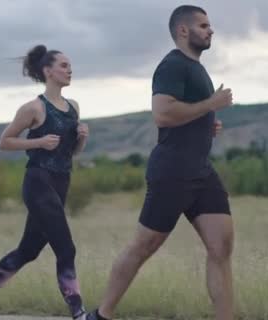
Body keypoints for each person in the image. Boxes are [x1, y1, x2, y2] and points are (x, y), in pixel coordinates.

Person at [86, 5, 234, 320]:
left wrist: (207, 122)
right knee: (144, 246)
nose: (211, 31)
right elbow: (163, 114)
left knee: (221, 246)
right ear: (184, 30)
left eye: (210, 25)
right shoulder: (172, 65)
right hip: (172, 170)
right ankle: (101, 314)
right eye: (204, 25)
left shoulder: (196, 67)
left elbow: (185, 112)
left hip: (200, 170)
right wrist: (211, 104)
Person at [0, 44, 90, 320]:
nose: (70, 70)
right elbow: (5, 141)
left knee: (29, 250)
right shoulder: (34, 107)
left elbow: (72, 152)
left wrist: (82, 137)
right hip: (38, 182)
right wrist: (39, 141)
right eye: (64, 65)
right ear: (48, 71)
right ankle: (79, 313)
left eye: (70, 66)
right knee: (66, 248)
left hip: (61, 182)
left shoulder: (73, 108)